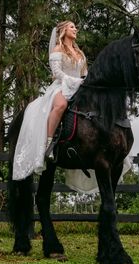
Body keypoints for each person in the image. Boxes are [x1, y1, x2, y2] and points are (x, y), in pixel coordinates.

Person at [12, 20, 87, 181]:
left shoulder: (79, 52)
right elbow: (57, 73)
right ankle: (48, 143)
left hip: (79, 86)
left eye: (75, 27)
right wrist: (71, 81)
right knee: (61, 105)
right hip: (62, 86)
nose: (75, 29)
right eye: (72, 27)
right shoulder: (58, 49)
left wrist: (84, 82)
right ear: (63, 31)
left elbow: (84, 73)